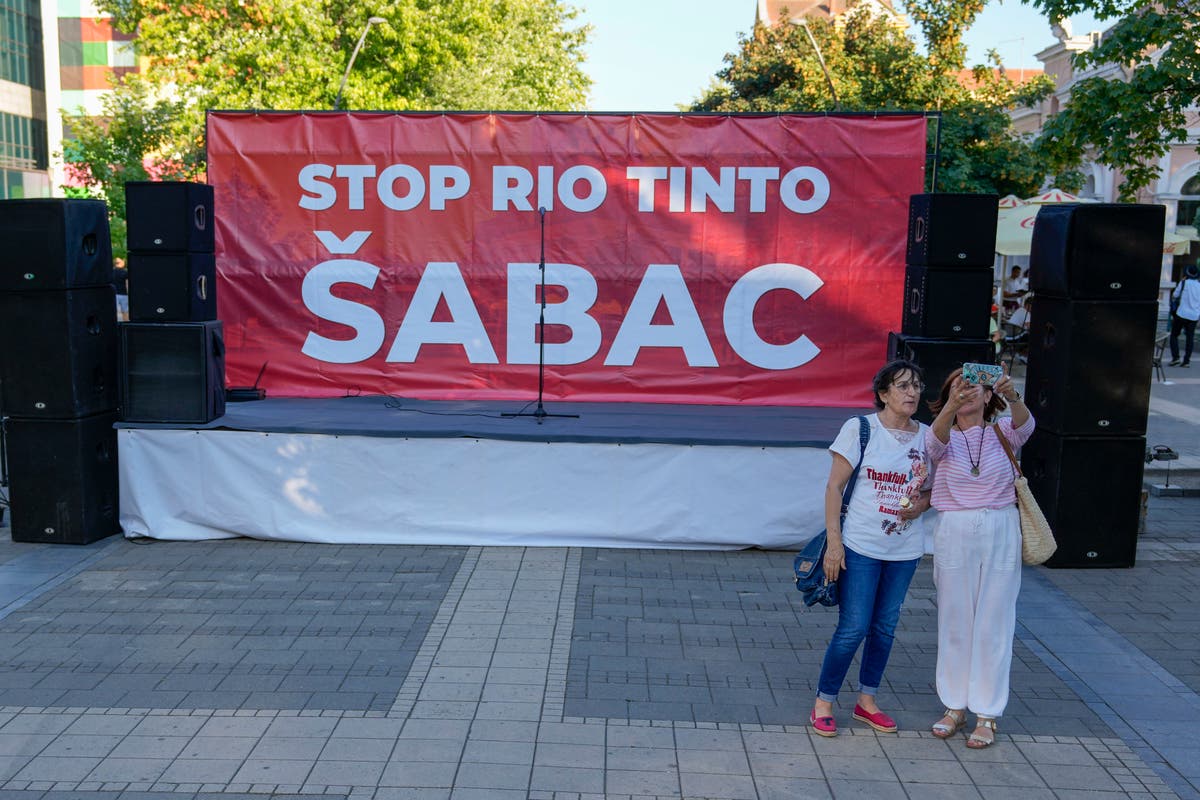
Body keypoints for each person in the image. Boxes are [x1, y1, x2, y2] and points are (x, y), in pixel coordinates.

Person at [810, 360, 933, 737]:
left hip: (905, 549)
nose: (912, 392)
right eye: (902, 386)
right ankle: (824, 701)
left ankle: (867, 701)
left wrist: (921, 505)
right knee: (853, 627)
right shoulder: (861, 428)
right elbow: (834, 488)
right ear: (883, 394)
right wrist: (834, 545)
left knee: (884, 628)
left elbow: (932, 490)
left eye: (916, 385)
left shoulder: (928, 436)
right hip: (860, 545)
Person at [925, 366, 1033, 748]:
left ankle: (987, 713)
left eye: (975, 387)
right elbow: (932, 447)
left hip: (1000, 524)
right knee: (955, 618)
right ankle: (954, 706)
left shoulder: (1003, 430)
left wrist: (1013, 394)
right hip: (954, 526)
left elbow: (1027, 424)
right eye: (959, 386)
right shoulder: (943, 432)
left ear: (989, 396)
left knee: (995, 620)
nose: (967, 392)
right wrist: (950, 407)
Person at [1169, 263, 1200, 367]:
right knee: (1190, 338)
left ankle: (1176, 357)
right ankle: (1186, 361)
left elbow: (1175, 295)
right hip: (1194, 316)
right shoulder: (1199, 286)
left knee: (1174, 335)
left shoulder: (1183, 283)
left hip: (1181, 314)